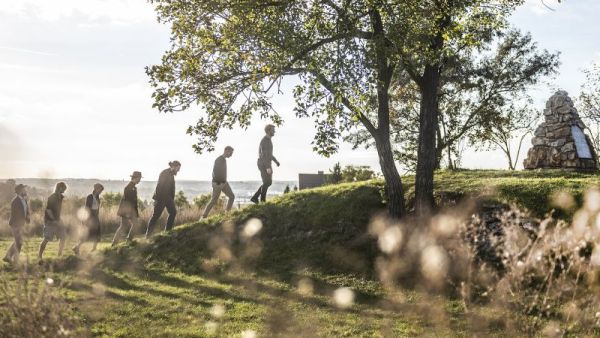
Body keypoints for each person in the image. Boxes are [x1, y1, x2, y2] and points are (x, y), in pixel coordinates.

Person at [146, 161, 181, 237]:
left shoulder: (172, 174)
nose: (179, 170)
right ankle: (148, 235)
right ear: (174, 167)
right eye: (178, 168)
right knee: (156, 216)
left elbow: (171, 188)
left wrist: (172, 199)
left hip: (168, 198)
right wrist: (156, 199)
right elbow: (159, 186)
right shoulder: (164, 173)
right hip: (161, 198)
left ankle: (168, 230)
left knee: (173, 212)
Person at [202, 146, 235, 218]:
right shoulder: (219, 160)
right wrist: (219, 182)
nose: (231, 155)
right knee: (213, 200)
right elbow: (214, 172)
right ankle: (204, 216)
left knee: (232, 196)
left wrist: (223, 181)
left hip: (224, 183)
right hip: (218, 183)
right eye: (231, 153)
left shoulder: (224, 160)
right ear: (226, 151)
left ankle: (227, 213)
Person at [38, 182, 67, 262]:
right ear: (60, 187)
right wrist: (53, 220)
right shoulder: (52, 197)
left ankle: (59, 255)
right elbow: (48, 210)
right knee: (47, 238)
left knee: (63, 236)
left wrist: (58, 220)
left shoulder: (60, 197)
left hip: (58, 219)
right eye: (64, 188)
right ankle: (39, 256)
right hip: (50, 220)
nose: (65, 190)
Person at [251, 124, 280, 203]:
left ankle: (256, 198)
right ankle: (260, 200)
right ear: (268, 131)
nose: (274, 131)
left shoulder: (268, 140)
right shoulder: (265, 141)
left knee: (268, 182)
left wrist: (275, 161)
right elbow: (264, 155)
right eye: (273, 130)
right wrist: (267, 167)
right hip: (263, 163)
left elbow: (269, 154)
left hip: (265, 163)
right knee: (267, 182)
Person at [72, 183, 104, 255]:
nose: (101, 192)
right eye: (100, 190)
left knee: (97, 233)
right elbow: (87, 208)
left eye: (101, 191)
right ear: (96, 189)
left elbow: (97, 208)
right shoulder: (90, 197)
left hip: (95, 217)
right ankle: (76, 247)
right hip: (90, 218)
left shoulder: (98, 197)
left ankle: (94, 248)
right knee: (87, 235)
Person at [112, 171, 142, 246]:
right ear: (136, 178)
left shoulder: (134, 187)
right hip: (126, 211)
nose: (140, 180)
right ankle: (116, 242)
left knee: (130, 225)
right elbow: (127, 201)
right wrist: (128, 213)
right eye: (139, 178)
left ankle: (127, 240)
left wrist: (136, 212)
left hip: (131, 211)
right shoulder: (128, 187)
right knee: (124, 226)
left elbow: (134, 201)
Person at [3, 184, 30, 264]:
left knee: (18, 241)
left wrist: (28, 219)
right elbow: (16, 214)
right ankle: (14, 259)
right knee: (19, 241)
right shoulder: (15, 201)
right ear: (20, 191)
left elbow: (26, 211)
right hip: (15, 224)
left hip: (21, 224)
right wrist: (19, 225)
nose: (26, 190)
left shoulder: (24, 200)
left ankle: (8, 257)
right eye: (24, 189)